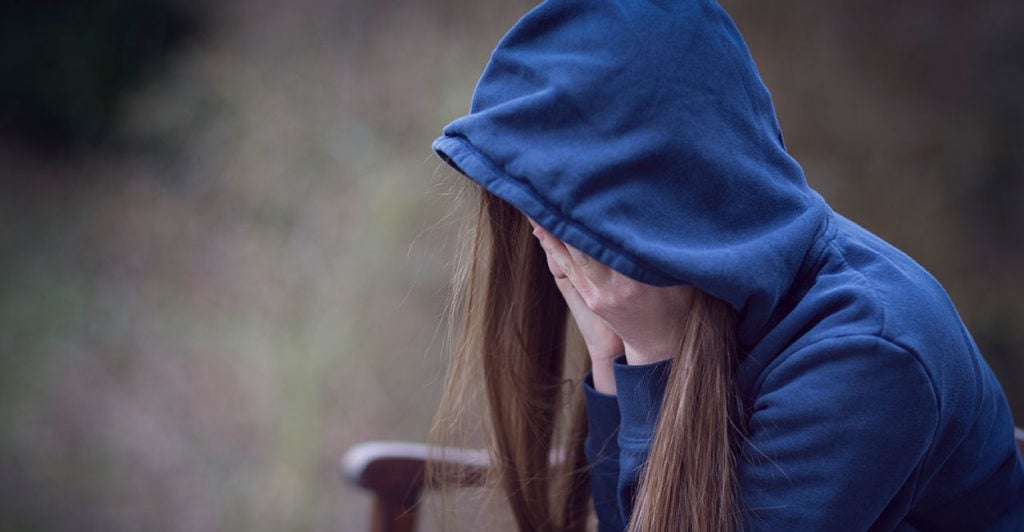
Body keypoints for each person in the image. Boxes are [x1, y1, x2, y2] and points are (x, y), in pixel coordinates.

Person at [428, 0, 1024, 530]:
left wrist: (652, 358)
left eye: (567, 214)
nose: (543, 238)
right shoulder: (708, 292)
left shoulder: (864, 357)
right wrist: (612, 358)